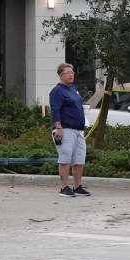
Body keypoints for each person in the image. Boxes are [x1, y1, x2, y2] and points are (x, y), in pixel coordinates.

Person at [49, 63, 90, 197]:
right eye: (67, 72)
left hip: (78, 130)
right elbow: (55, 109)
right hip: (65, 129)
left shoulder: (73, 89)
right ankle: (64, 187)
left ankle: (77, 186)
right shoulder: (57, 91)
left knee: (79, 158)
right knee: (65, 158)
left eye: (72, 72)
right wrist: (58, 127)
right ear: (61, 75)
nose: (71, 75)